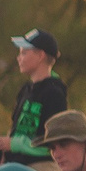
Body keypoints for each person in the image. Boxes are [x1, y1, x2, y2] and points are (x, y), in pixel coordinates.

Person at [4, 29, 68, 162]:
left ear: (40, 56)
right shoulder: (26, 90)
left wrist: (15, 145)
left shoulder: (54, 93)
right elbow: (15, 130)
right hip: (16, 162)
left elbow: (53, 141)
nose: (18, 58)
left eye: (24, 53)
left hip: (39, 165)